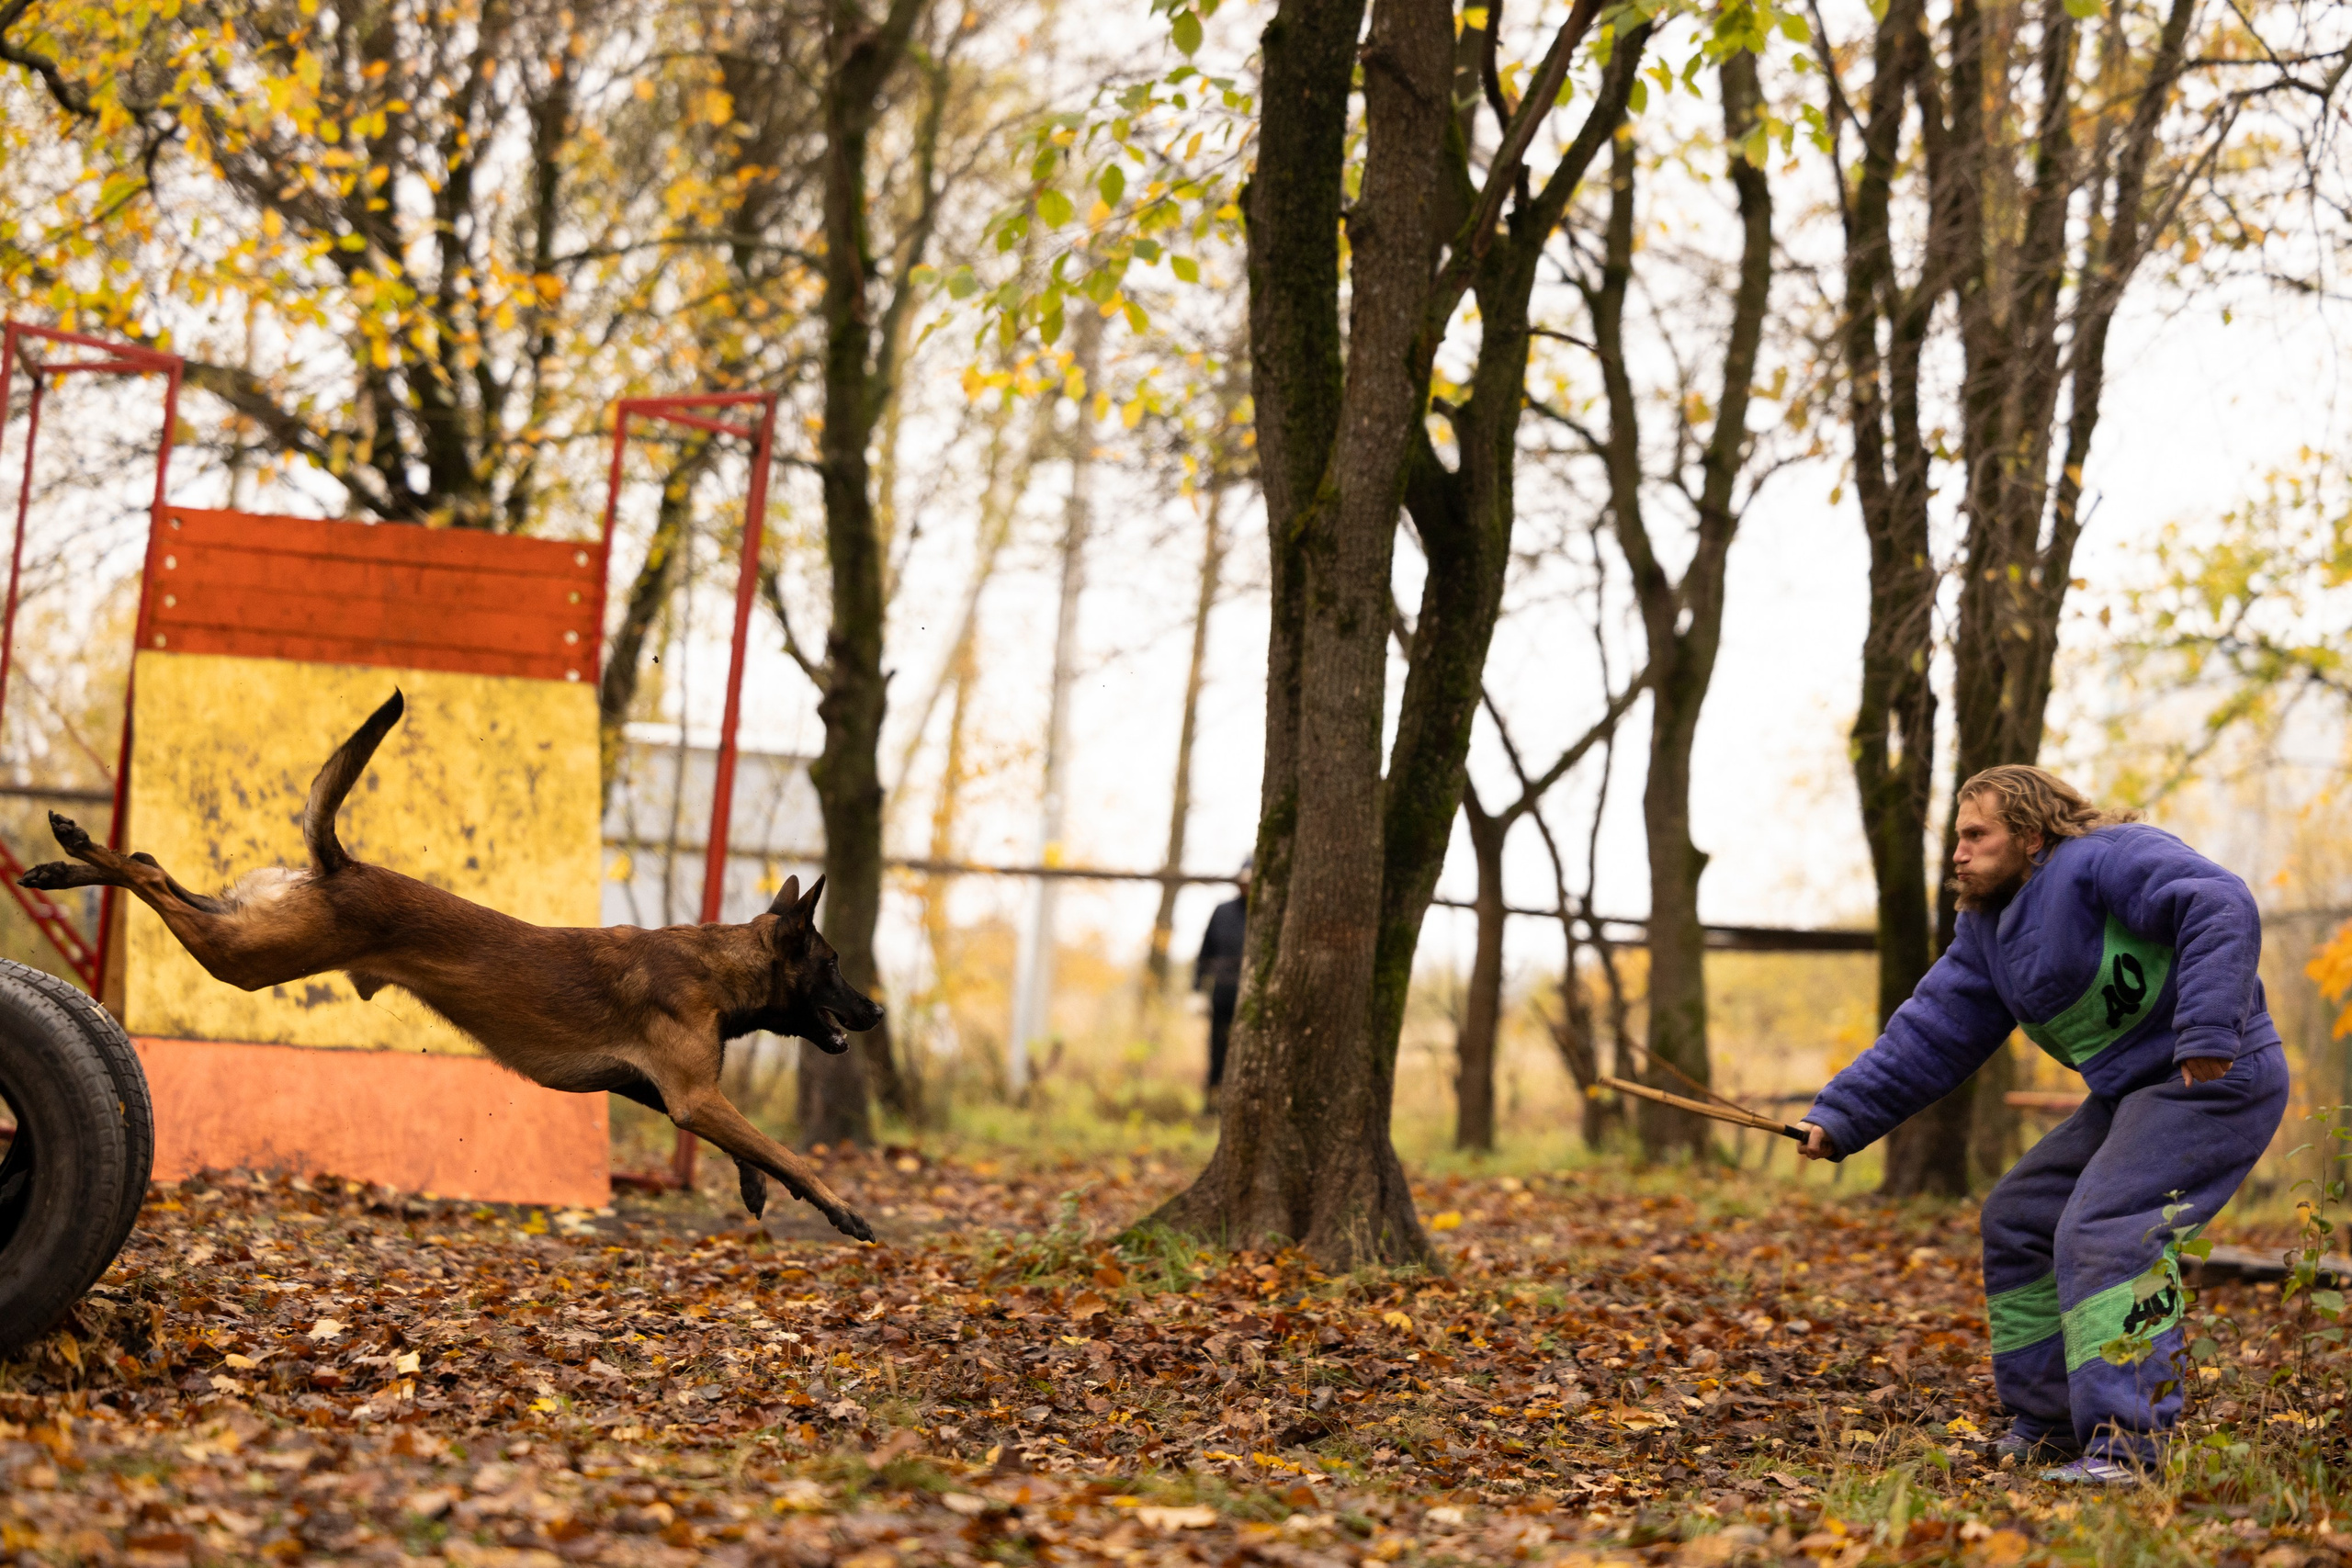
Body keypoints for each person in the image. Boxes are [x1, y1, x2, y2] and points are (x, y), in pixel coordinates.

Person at [1796, 765, 2287, 1487]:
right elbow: (1929, 1034)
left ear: (2029, 836)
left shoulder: (2106, 856)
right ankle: (2052, 1422)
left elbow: (2218, 901)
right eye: (1956, 838)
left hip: (2216, 1076)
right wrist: (1838, 1117)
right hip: (2132, 1093)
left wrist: (2209, 1028)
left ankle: (2127, 1448)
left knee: (2108, 1227)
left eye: (1976, 835)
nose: (1958, 853)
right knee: (2021, 1215)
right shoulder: (1986, 934)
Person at [1193, 859, 1250, 1109]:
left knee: (1247, 1052)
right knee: (1217, 1049)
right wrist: (1196, 990)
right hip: (1223, 994)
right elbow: (1205, 952)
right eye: (1242, 881)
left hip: (1252, 998)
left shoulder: (1268, 913)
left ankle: (1238, 1103)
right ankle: (1212, 1101)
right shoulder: (1222, 911)